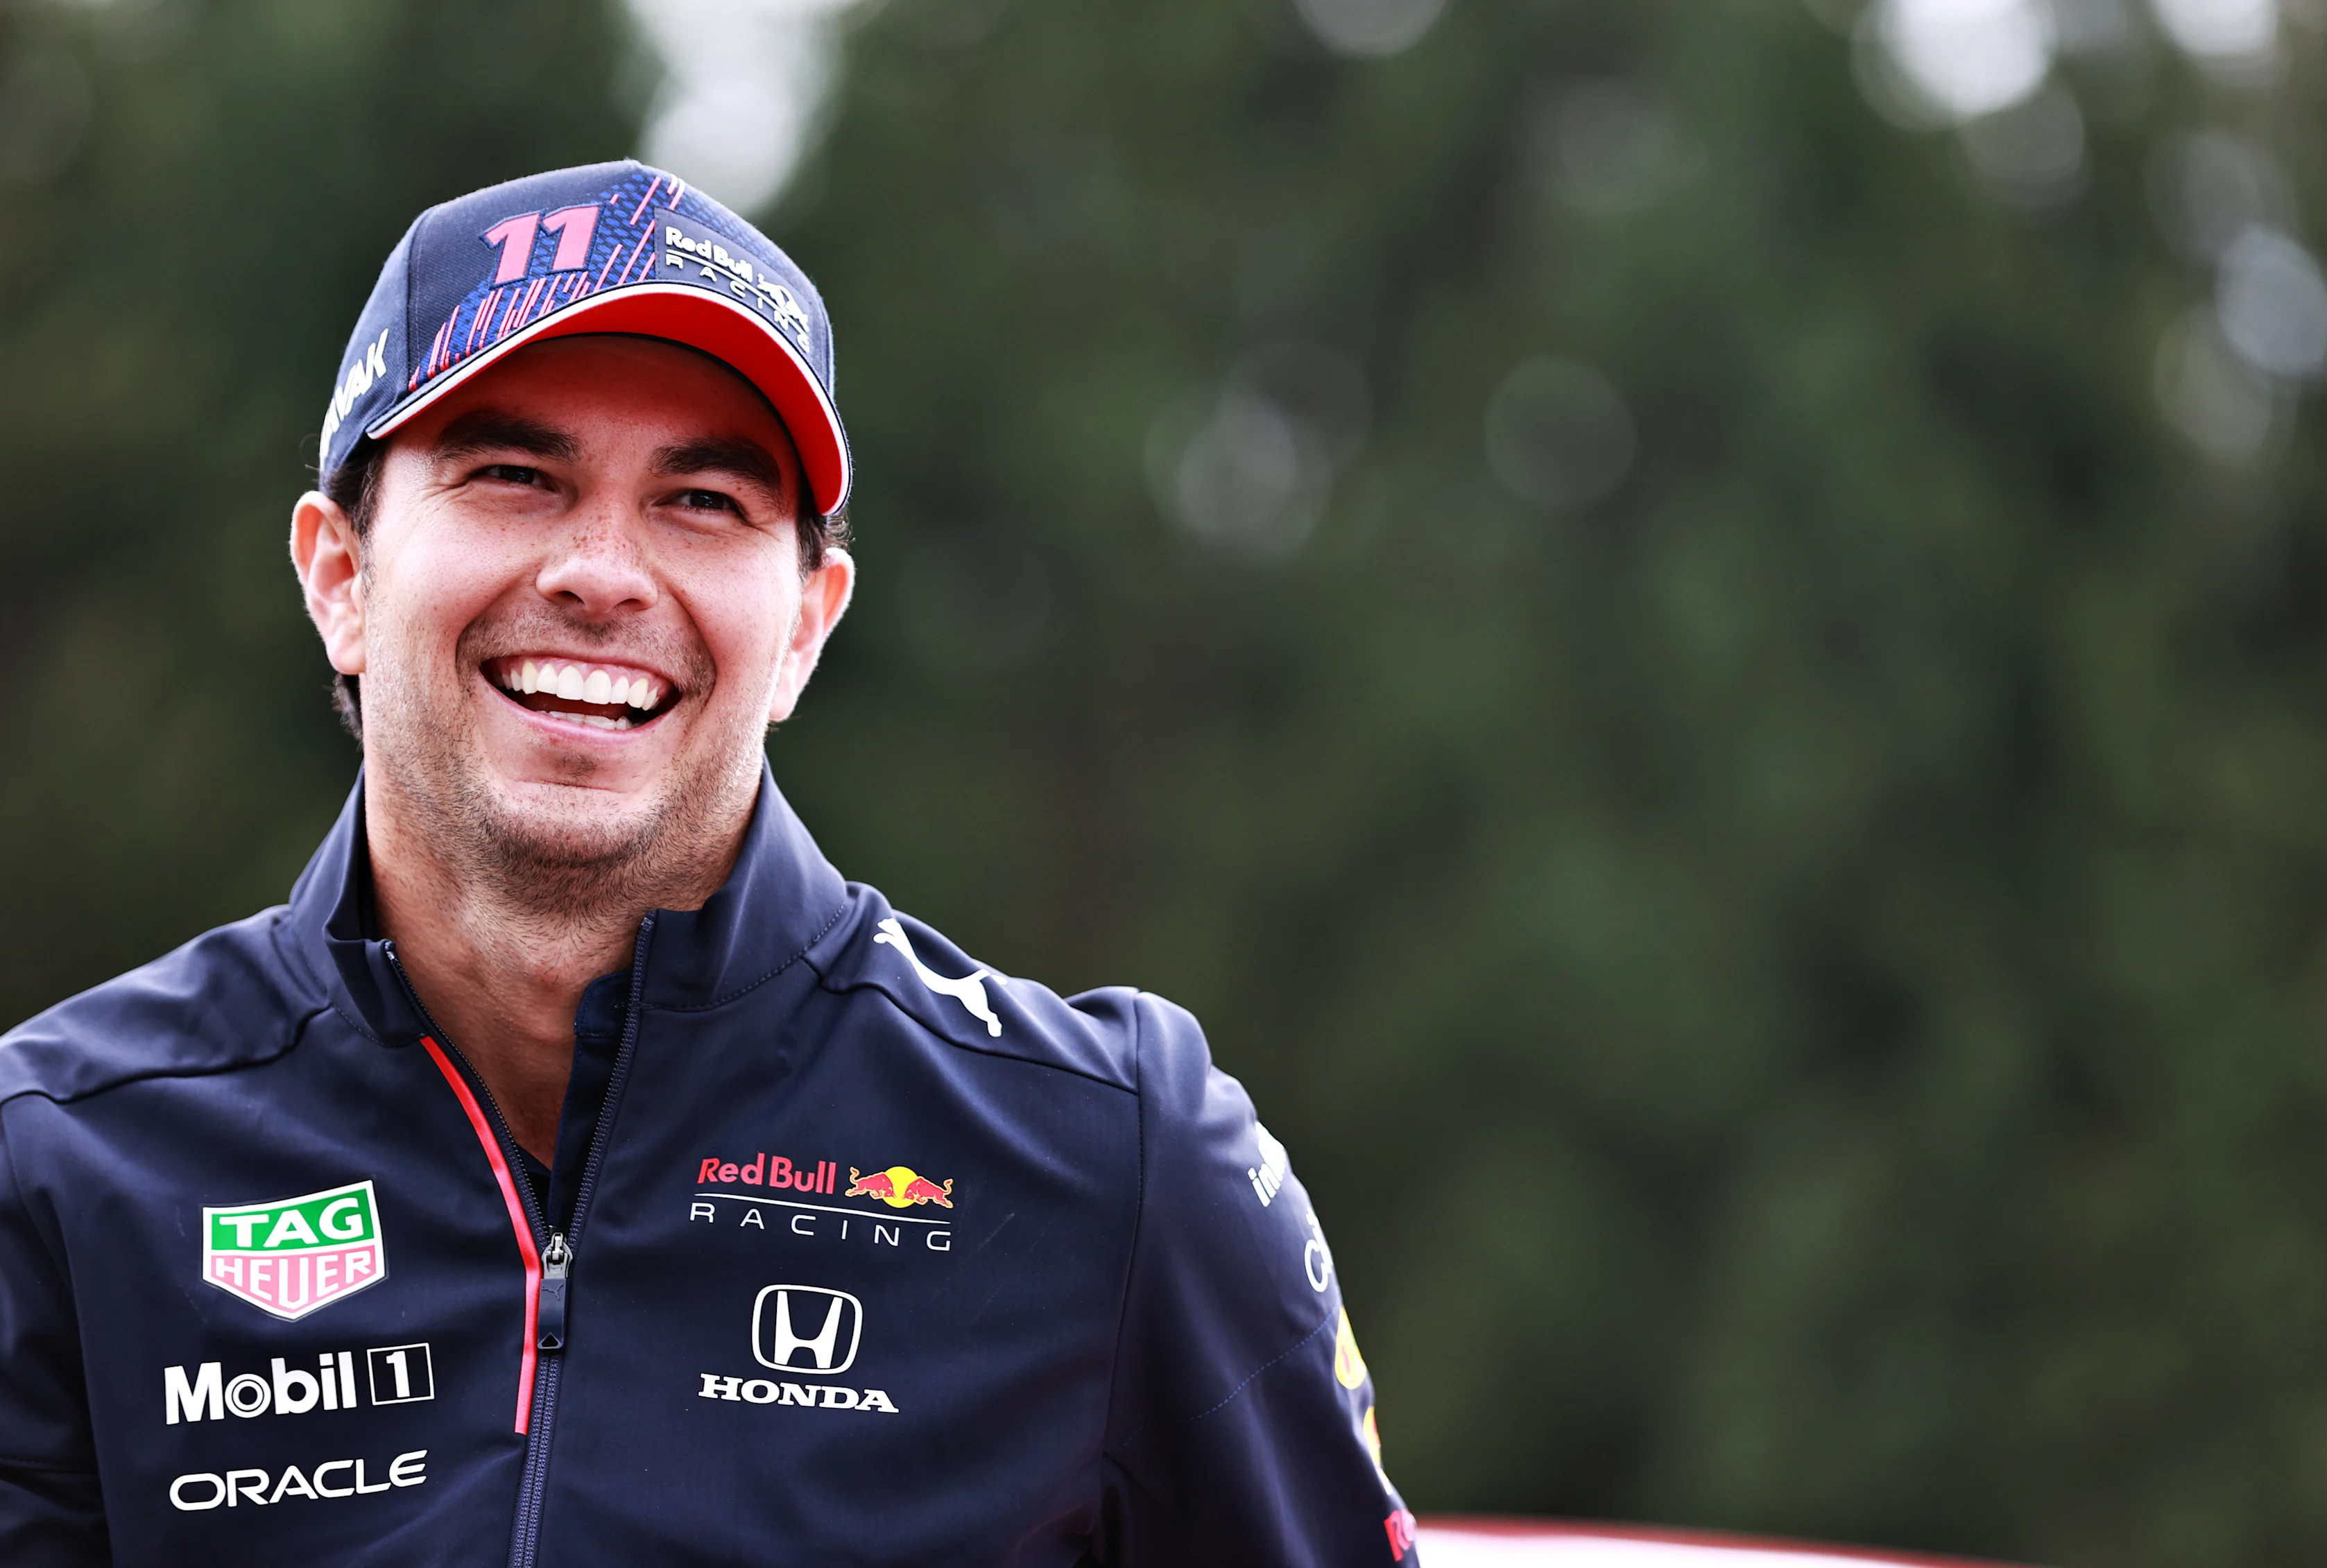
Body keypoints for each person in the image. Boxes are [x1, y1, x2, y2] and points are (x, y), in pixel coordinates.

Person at [0, 161, 1416, 1566]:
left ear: (806, 622)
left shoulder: (1115, 1157)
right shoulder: (59, 1161)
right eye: (512, 474)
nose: (601, 571)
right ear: (338, 577)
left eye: (703, 502)